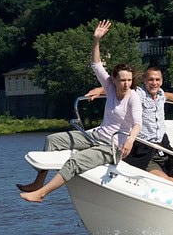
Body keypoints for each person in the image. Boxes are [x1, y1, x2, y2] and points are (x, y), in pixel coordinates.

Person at [18, 20, 143, 203]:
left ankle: (42, 194)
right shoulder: (109, 87)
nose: (126, 84)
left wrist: (130, 140)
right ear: (114, 80)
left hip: (113, 147)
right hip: (96, 136)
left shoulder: (133, 97)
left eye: (129, 80)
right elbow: (96, 64)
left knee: (74, 161)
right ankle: (38, 181)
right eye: (122, 80)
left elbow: (137, 123)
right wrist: (96, 41)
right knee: (52, 140)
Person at [85, 70, 173, 180]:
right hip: (145, 150)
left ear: (161, 81)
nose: (154, 83)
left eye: (157, 80)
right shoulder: (138, 93)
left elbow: (168, 95)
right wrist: (100, 90)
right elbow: (120, 89)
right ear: (144, 81)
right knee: (169, 181)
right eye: (150, 80)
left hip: (164, 147)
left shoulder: (160, 94)